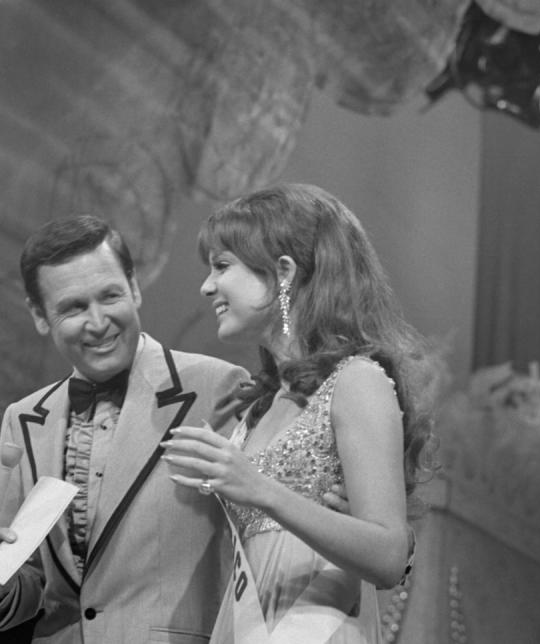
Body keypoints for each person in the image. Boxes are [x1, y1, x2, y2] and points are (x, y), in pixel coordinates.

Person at [163, 183, 440, 643]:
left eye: (222, 265)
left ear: (283, 272)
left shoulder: (357, 381)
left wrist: (262, 490)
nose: (207, 285)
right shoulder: (258, 407)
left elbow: (391, 555)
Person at [0, 215, 252, 643]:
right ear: (40, 315)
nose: (97, 323)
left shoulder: (217, 389)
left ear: (133, 288)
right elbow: (33, 580)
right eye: (73, 308)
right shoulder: (24, 418)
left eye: (109, 296)